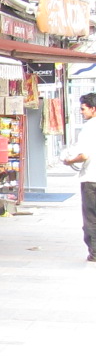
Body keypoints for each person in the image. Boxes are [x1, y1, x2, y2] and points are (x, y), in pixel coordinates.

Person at [61, 92, 96, 262]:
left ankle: (95, 253)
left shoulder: (89, 128)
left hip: (92, 179)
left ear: (93, 109)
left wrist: (69, 161)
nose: (81, 112)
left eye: (83, 109)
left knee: (91, 217)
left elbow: (84, 155)